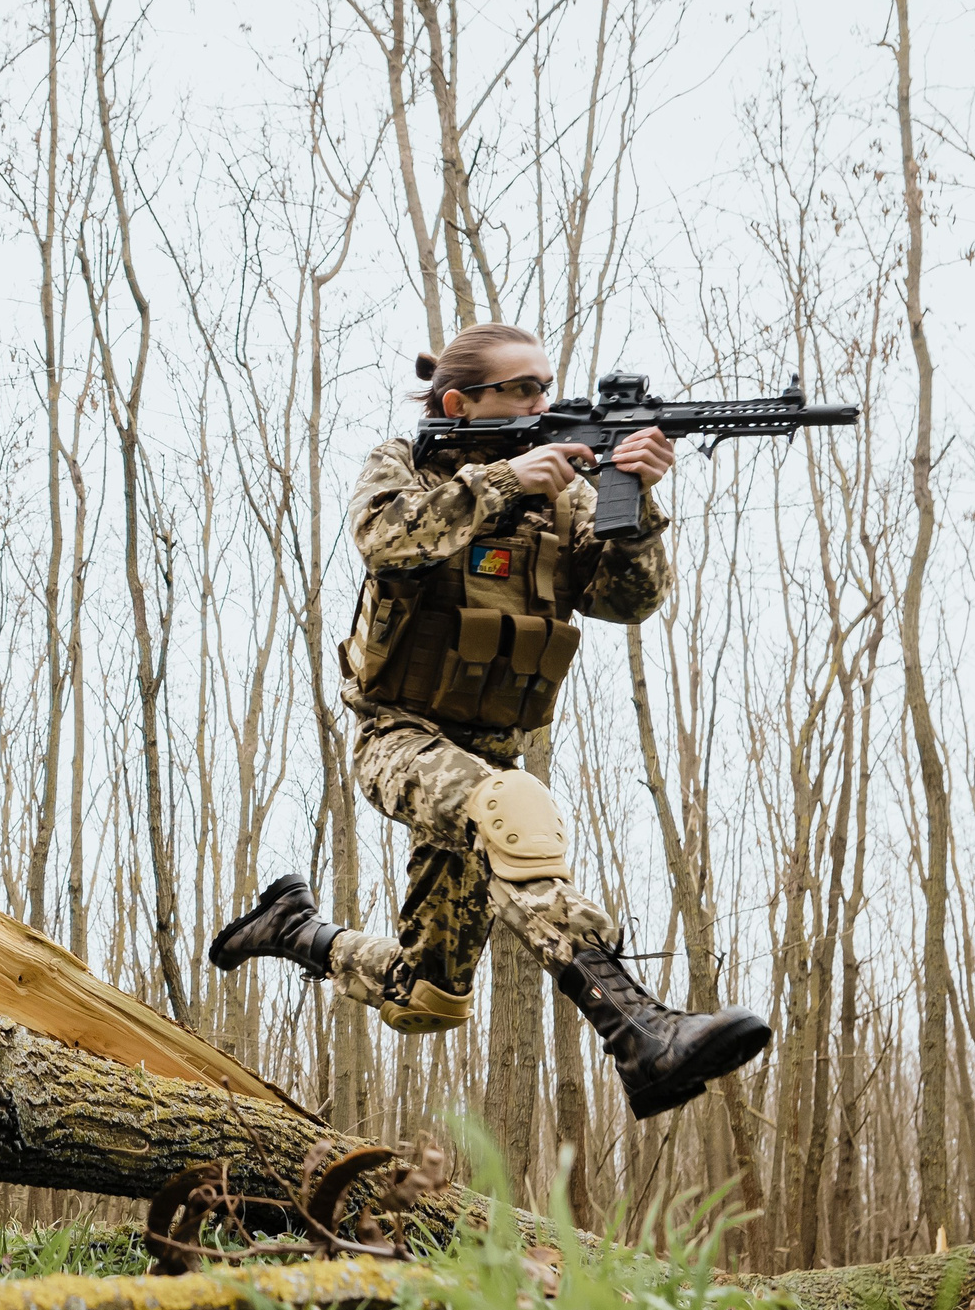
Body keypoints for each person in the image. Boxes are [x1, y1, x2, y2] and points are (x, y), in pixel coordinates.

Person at [209, 323, 769, 1119]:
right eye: (524, 389)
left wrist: (636, 501)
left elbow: (627, 600)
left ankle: (294, 927)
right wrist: (505, 480)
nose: (545, 400)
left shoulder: (568, 494)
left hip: (491, 747)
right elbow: (386, 538)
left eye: (547, 385)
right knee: (514, 808)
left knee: (426, 998)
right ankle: (641, 1031)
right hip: (398, 737)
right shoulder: (405, 464)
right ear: (459, 403)